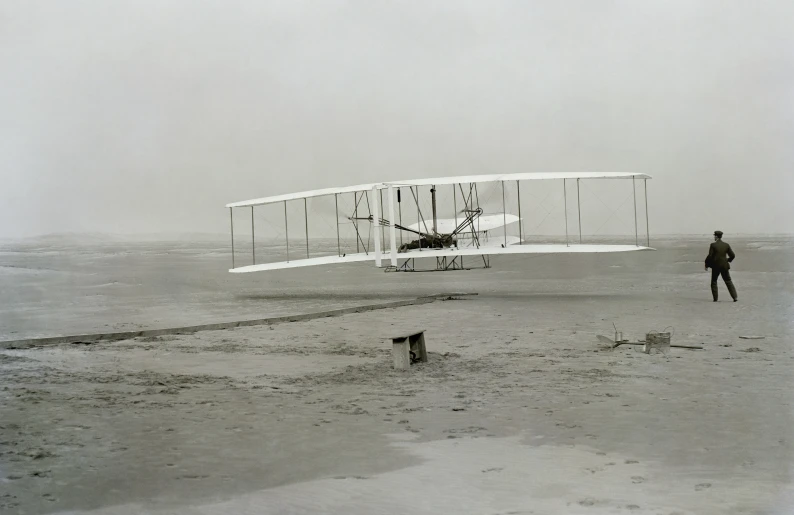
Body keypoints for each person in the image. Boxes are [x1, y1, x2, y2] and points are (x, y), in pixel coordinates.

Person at [705, 230, 738, 302]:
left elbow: (710, 256)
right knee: (728, 281)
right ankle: (735, 297)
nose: (714, 237)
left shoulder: (713, 245)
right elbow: (733, 255)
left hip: (716, 266)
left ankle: (715, 299)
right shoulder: (726, 245)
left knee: (714, 281)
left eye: (714, 236)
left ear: (716, 236)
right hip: (724, 265)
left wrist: (706, 264)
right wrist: (728, 260)